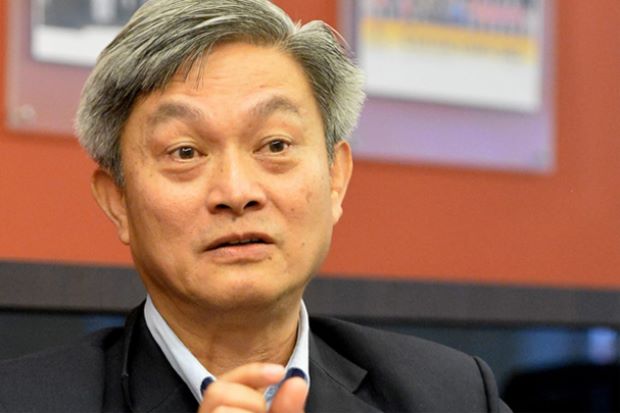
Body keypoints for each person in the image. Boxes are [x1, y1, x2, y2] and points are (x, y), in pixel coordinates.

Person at [0, 1, 511, 412]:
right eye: (185, 152)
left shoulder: (453, 394)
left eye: (275, 145)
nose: (237, 190)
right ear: (118, 202)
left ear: (335, 178)